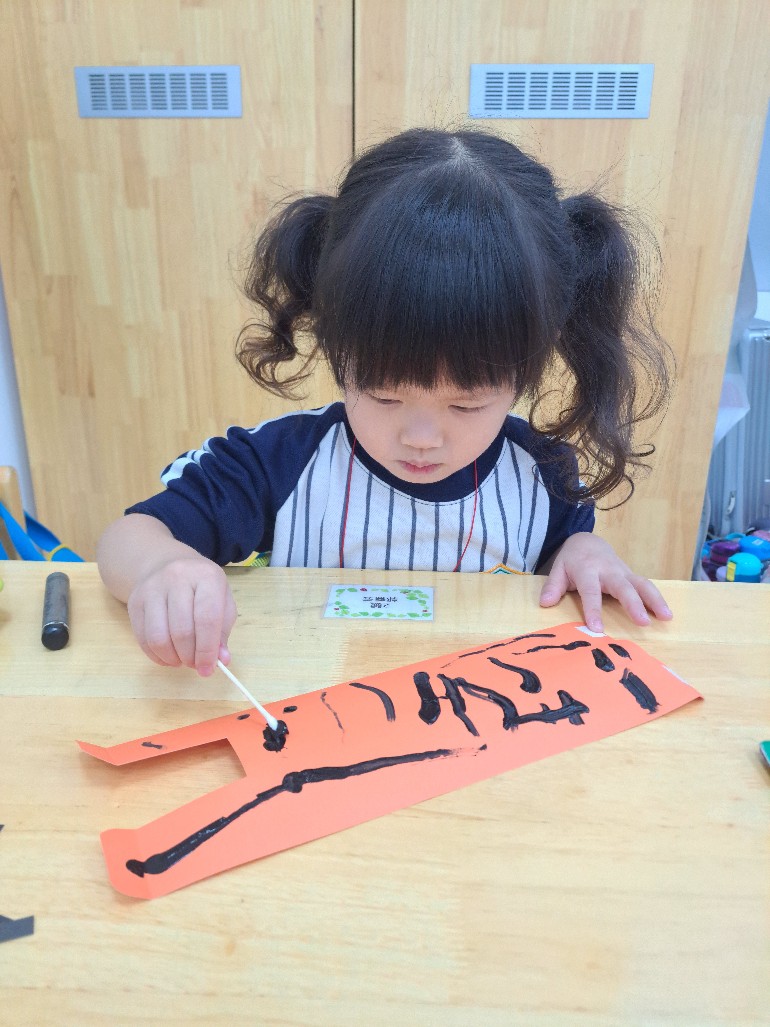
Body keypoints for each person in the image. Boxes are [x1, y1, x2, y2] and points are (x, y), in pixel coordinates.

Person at [97, 126, 674, 677]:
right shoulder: (279, 463)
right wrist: (162, 567)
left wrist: (586, 551)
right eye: (383, 394)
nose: (421, 438)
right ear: (336, 349)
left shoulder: (542, 475)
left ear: (527, 371)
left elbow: (563, 558)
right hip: (311, 706)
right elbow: (130, 536)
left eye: (466, 405)